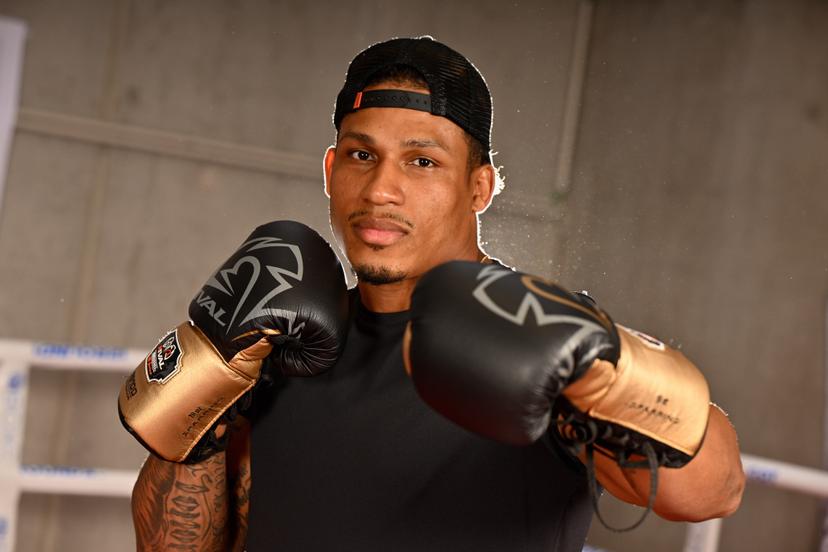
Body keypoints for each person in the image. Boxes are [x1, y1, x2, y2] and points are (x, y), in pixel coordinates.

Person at [123, 37, 745, 551]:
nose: (381, 190)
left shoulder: (530, 339)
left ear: (481, 188)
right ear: (330, 170)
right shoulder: (282, 339)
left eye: (422, 162)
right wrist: (210, 377)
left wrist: (603, 370)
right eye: (362, 155)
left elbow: (713, 492)